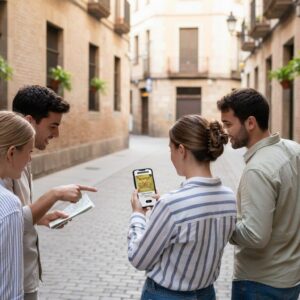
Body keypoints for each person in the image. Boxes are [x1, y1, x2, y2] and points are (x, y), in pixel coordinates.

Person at [128, 114, 237, 300]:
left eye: (170, 149)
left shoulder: (171, 205)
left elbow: (139, 258)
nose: (170, 156)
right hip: (207, 293)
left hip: (165, 295)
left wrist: (138, 214)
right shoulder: (229, 198)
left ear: (181, 150)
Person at [4, 85, 97, 300]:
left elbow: (17, 214)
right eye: (53, 126)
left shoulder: (22, 158)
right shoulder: (8, 165)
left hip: (25, 275)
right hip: (13, 282)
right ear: (29, 121)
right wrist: (53, 194)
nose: (56, 134)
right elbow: (10, 218)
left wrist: (42, 218)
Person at [217, 88, 300, 300]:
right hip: (290, 279)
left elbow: (255, 236)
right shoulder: (294, 149)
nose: (226, 132)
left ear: (250, 123)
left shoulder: (258, 170)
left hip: (259, 284)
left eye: (228, 124)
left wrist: (222, 224)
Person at [0, 111, 35, 299]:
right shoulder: (9, 205)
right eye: (29, 151)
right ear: (11, 152)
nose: (30, 159)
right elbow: (10, 290)